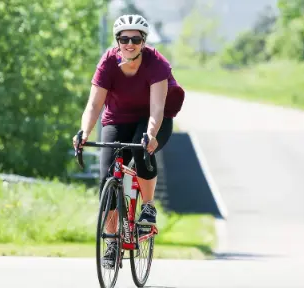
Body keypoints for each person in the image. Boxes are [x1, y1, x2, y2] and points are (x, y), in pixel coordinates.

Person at [72, 14, 185, 268]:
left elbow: (157, 108)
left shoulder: (156, 63)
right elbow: (93, 104)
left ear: (144, 41)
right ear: (118, 41)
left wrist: (151, 134)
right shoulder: (108, 62)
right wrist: (83, 133)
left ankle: (147, 206)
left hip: (153, 118)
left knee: (143, 151)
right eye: (124, 39)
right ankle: (112, 241)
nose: (129, 43)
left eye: (135, 38)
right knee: (106, 179)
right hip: (117, 118)